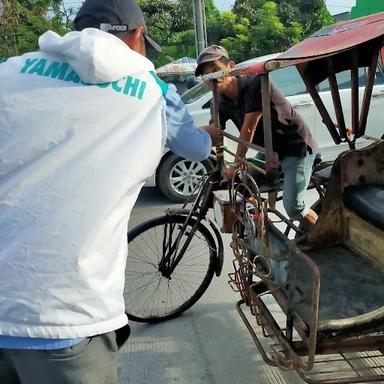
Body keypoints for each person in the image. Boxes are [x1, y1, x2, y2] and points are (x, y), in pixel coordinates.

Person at [0, 1, 220, 383]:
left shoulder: (9, 72)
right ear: (136, 36)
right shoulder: (155, 94)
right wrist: (209, 134)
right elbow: (197, 150)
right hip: (67, 317)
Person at [195, 45, 319, 226]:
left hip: (295, 147)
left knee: (294, 207)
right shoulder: (218, 100)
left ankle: (324, 236)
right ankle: (265, 229)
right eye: (207, 76)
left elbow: (248, 129)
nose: (213, 79)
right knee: (241, 189)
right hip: (269, 150)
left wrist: (237, 164)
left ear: (230, 66)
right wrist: (185, 135)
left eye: (216, 71)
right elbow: (215, 132)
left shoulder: (255, 83)